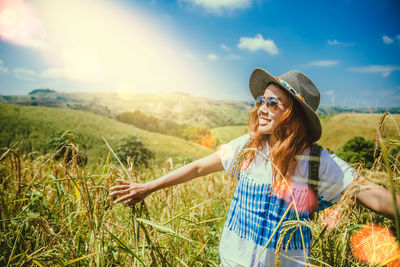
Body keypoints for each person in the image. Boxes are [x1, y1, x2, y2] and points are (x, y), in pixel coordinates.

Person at [109, 68, 400, 266]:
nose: (261, 108)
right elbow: (198, 168)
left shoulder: (318, 163)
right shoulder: (247, 147)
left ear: (293, 113)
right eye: (262, 101)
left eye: (273, 103)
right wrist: (148, 187)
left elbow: (373, 194)